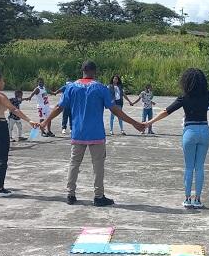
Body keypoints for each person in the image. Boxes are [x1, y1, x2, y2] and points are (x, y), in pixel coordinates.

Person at [144, 68, 209, 209]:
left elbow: (166, 111)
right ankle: (198, 199)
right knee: (199, 167)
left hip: (189, 131)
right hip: (204, 131)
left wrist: (148, 123)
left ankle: (188, 199)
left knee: (189, 167)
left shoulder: (184, 97)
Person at [42, 61, 145, 206]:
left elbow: (59, 107)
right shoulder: (101, 88)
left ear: (82, 70)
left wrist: (45, 122)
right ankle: (98, 196)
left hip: (77, 133)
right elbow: (114, 109)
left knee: (74, 163)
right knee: (98, 166)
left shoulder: (71, 87)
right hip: (96, 133)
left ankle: (70, 194)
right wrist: (134, 123)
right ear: (94, 72)